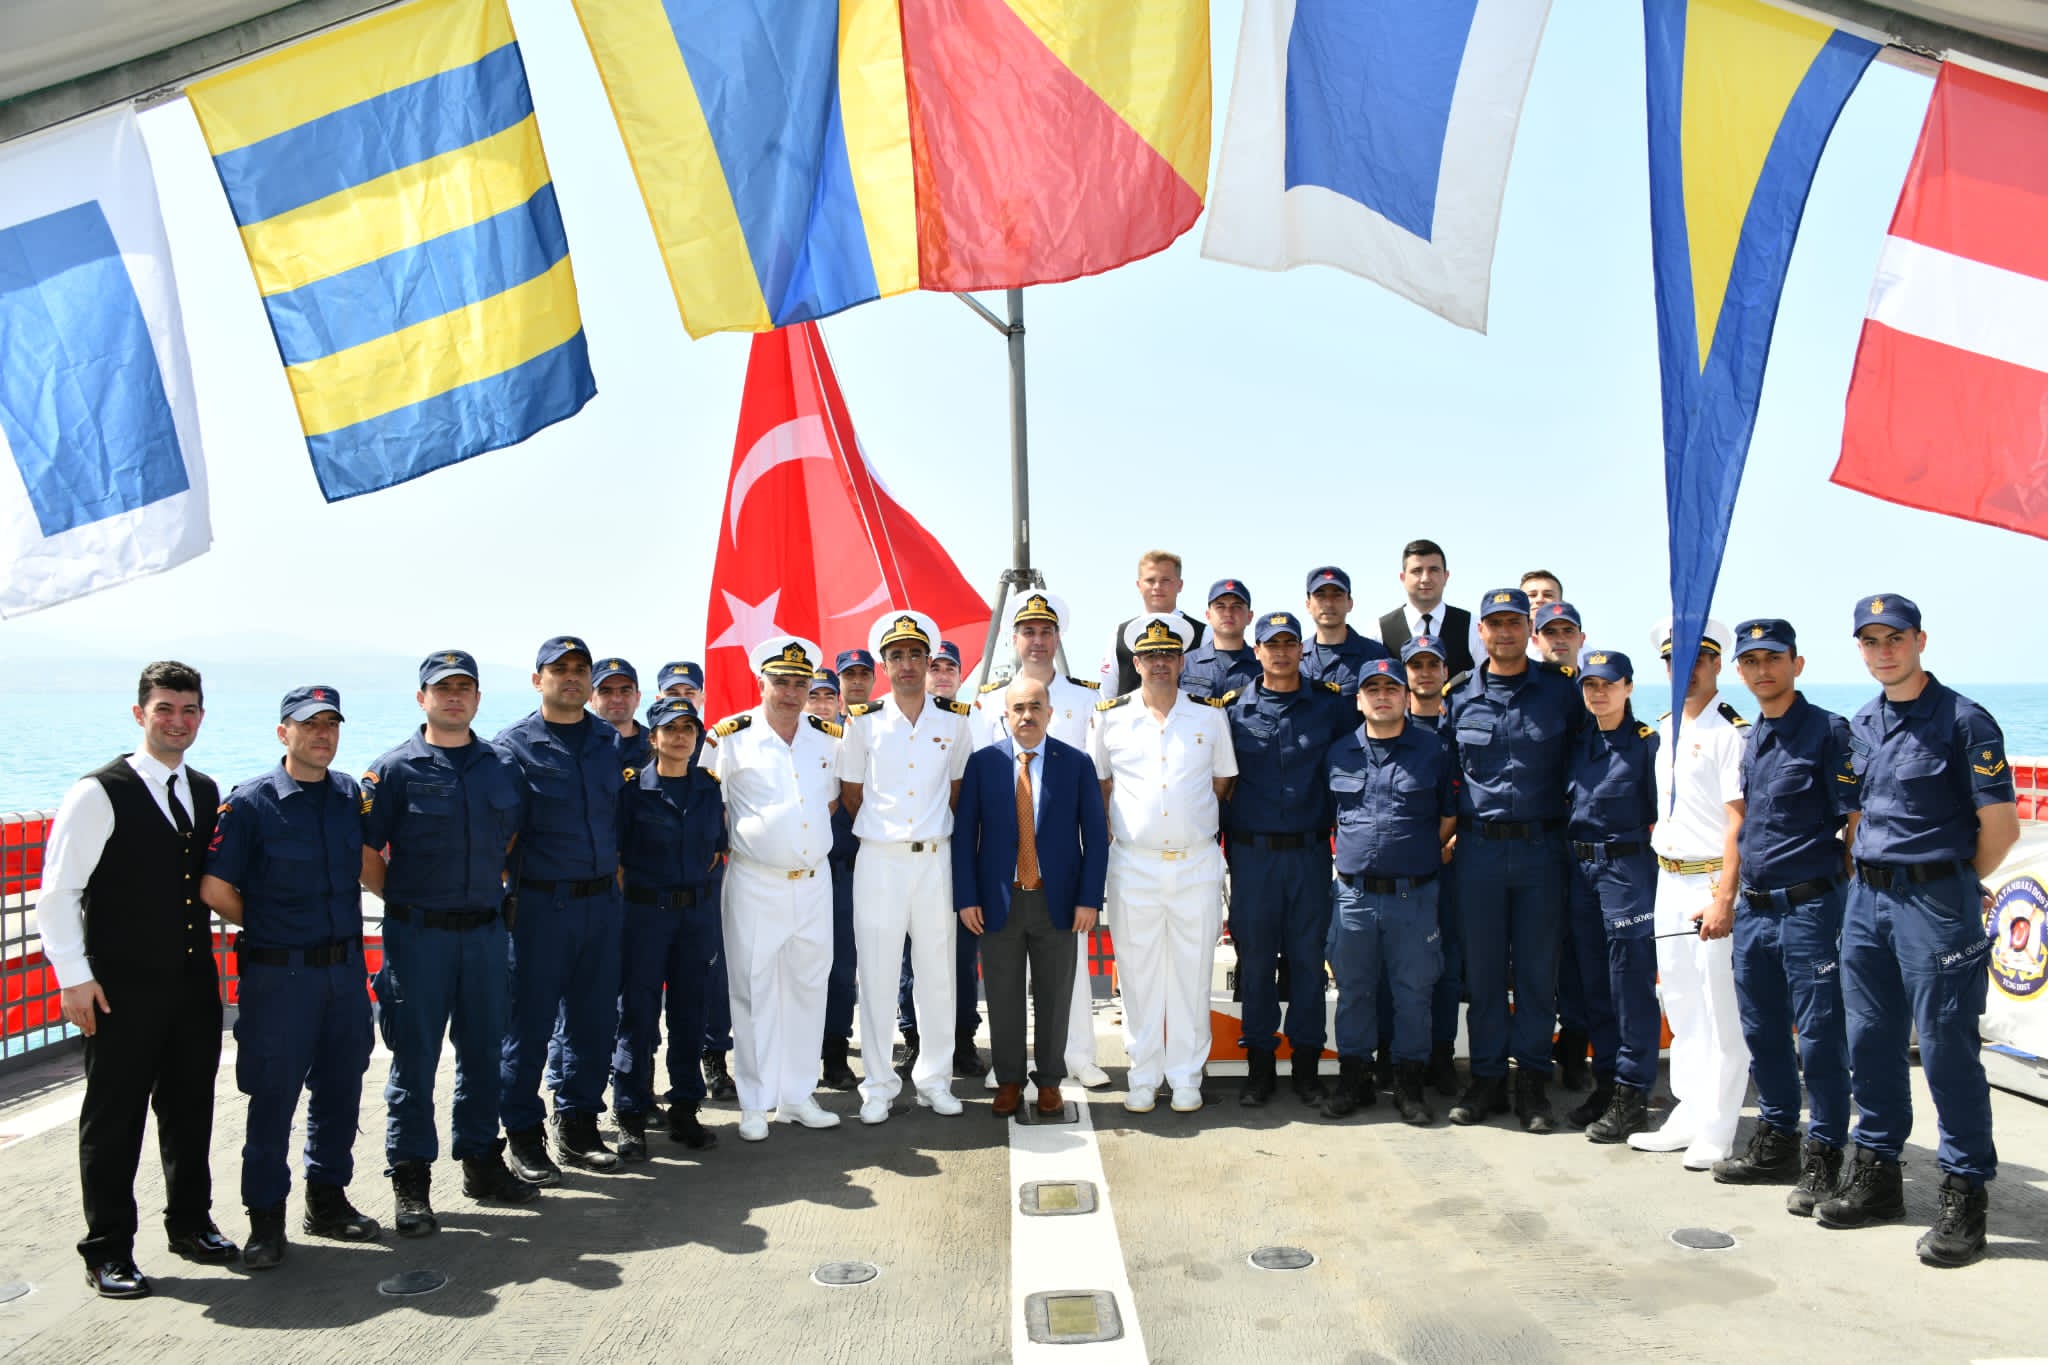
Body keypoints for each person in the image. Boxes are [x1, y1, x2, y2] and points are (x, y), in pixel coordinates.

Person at [1818, 594, 2018, 1268]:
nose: (1883, 651)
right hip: (1867, 900)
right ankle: (1877, 1177)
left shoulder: (1963, 720)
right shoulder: (1862, 722)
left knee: (1945, 1048)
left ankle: (1964, 1195)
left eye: (1894, 638)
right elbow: (1857, 817)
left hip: (1934, 905)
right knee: (1870, 1039)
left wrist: (1950, 884)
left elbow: (2001, 829)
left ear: (1920, 641)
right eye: (1870, 640)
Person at [42, 662, 234, 1297]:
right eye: (164, 709)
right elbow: (59, 893)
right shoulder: (98, 792)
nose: (178, 721)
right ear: (139, 714)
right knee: (114, 1118)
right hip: (120, 987)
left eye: (188, 710)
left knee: (190, 1110)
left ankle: (191, 1225)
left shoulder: (203, 789)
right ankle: (107, 1250)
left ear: (201, 716)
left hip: (192, 981)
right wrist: (74, 978)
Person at [359, 651, 534, 1239]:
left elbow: (510, 839)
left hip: (484, 934)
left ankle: (481, 1161)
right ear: (422, 698)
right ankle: (411, 1180)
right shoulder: (394, 770)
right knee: (415, 1060)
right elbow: (366, 852)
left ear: (478, 699)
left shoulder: (501, 767)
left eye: (464, 688)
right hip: (419, 939)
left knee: (484, 1054)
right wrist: (406, 899)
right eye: (442, 688)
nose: (454, 697)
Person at [201, 686, 377, 1268]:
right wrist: (271, 927)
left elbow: (368, 863)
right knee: (273, 1099)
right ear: (284, 733)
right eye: (309, 725)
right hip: (281, 978)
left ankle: (327, 1201)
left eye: (331, 725)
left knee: (341, 1090)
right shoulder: (251, 804)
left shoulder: (349, 795)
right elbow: (215, 887)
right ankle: (265, 1221)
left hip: (343, 974)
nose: (322, 735)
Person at [1714, 619, 1857, 1213]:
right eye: (1750, 661)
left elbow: (1856, 821)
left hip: (1810, 908)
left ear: (1796, 665)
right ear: (1740, 671)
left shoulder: (1829, 731)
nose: (1762, 670)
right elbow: (1748, 823)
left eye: (1773, 658)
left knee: (1820, 1037)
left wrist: (1847, 900)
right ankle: (1777, 1140)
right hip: (1755, 909)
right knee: (1762, 1030)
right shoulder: (1753, 736)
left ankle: (1825, 1151)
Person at [1445, 588, 1582, 1134]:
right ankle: (1485, 1079)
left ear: (1529, 629)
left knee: (1535, 973)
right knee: (1481, 974)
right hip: (1478, 851)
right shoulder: (1459, 697)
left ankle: (1531, 1082)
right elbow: (1446, 776)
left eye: (1514, 623)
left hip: (1542, 851)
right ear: (1480, 632)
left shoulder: (1561, 692)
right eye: (1494, 624)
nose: (1504, 633)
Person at [1090, 616, 1238, 1114]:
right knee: (1138, 976)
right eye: (1150, 656)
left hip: (1195, 862)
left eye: (1168, 655)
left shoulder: (1209, 717)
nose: (1159, 663)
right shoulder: (1110, 718)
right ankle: (1144, 1073)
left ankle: (1186, 1075)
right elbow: (1102, 785)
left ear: (1181, 662)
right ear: (1136, 663)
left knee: (1192, 974)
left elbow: (1222, 782)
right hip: (1135, 864)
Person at [493, 636, 627, 1180]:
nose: (571, 677)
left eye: (580, 669)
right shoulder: (512, 748)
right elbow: (499, 835)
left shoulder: (606, 739)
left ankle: (578, 1126)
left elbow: (617, 821)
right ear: (538, 680)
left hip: (601, 904)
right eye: (559, 669)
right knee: (528, 1027)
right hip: (541, 907)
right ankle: (524, 1136)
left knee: (594, 1024)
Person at [839, 610, 975, 1124]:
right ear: (885, 665)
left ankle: (935, 1080)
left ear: (928, 660)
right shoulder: (863, 722)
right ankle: (878, 1085)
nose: (907, 664)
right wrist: (889, 833)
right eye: (896, 656)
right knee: (876, 975)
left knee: (937, 975)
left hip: (934, 860)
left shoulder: (954, 720)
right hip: (880, 860)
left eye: (916, 655)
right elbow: (851, 794)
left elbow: (958, 792)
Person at [953, 676, 1109, 1117]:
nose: (1027, 715)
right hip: (997, 903)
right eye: (1018, 708)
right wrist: (967, 897)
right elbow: (964, 837)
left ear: (1049, 713)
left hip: (1056, 902)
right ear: (1006, 714)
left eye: (1035, 707)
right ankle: (1008, 1081)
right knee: (1003, 998)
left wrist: (1089, 900)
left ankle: (1050, 1082)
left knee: (1055, 998)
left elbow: (1095, 838)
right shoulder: (983, 764)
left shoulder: (1075, 763)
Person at [1627, 620, 1752, 1171]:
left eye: (1700, 658)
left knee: (1719, 1008)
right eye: (1675, 660)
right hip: (1669, 877)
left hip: (1710, 881)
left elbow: (1739, 823)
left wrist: (1726, 896)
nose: (1688, 669)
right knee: (1679, 1000)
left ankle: (1719, 1127)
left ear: (1718, 663)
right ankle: (1689, 1111)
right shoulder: (1666, 727)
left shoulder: (1731, 732)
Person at [976, 590, 1111, 1089]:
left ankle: (1078, 1055)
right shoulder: (988, 700)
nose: (1037, 640)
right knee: (1007, 980)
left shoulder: (1086, 697)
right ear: (1013, 639)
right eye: (1028, 632)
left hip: (1062, 853)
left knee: (1068, 973)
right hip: (1009, 859)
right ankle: (1007, 1064)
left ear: (1058, 638)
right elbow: (982, 779)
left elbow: (1098, 775)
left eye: (1046, 631)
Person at [712, 635, 845, 1141]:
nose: (791, 693)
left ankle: (797, 1096)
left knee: (809, 986)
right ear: (761, 683)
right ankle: (754, 1101)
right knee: (752, 990)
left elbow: (830, 801)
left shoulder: (827, 737)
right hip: (755, 882)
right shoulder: (730, 737)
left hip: (813, 883)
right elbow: (710, 804)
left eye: (799, 683)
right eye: (781, 682)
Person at [1219, 610, 1351, 1106]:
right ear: (1256, 651)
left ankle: (1307, 1068)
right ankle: (1259, 1067)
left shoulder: (1330, 706)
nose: (1280, 652)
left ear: (1301, 649)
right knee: (1255, 964)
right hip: (1252, 858)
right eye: (1270, 644)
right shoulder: (1232, 711)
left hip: (1310, 854)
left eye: (1289, 643)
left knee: (1308, 963)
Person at [1321, 658, 1459, 1123]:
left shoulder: (1433, 750)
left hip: (1413, 897)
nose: (1382, 696)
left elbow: (1448, 815)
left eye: (1391, 688)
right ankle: (1354, 1081)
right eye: (1373, 689)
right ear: (1359, 700)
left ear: (1405, 696)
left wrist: (1414, 855)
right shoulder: (1339, 753)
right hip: (1354, 897)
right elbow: (1330, 817)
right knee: (1354, 992)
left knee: (1413, 993)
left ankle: (1409, 1085)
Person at [612, 696, 725, 1157]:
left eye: (688, 729)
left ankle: (684, 1108)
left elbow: (717, 849)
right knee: (637, 1017)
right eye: (671, 729)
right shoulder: (632, 789)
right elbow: (617, 858)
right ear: (653, 738)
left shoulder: (708, 788)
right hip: (645, 917)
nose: (680, 737)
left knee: (690, 1014)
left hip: (694, 917)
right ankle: (631, 1113)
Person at [1565, 651, 1662, 1143]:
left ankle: (1633, 1095)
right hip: (1580, 870)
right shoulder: (1578, 742)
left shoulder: (1647, 745)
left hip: (1626, 870)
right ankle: (1606, 1085)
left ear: (1628, 687)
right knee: (1595, 986)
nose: (1598, 693)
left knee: (1630, 984)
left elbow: (1664, 814)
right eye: (1590, 685)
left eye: (1607, 684)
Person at [658, 660, 739, 1104]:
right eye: (673, 694)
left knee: (710, 974)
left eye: (690, 693)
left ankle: (713, 1056)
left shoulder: (715, 749)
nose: (682, 701)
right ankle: (637, 1079)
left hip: (705, 883)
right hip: (649, 893)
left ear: (702, 698)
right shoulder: (639, 752)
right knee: (641, 990)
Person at [1398, 635, 1462, 1094]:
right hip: (1403, 867)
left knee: (1447, 965)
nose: (1424, 673)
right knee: (1397, 965)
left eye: (1432, 665)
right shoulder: (1387, 727)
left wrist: (1452, 837)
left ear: (1445, 672)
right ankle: (1398, 1057)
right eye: (1415, 665)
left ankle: (1442, 1055)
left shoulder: (1460, 729)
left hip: (1452, 861)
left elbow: (1474, 790)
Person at [808, 667, 862, 1091]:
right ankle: (796, 1056)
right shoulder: (791, 747)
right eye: (814, 696)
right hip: (800, 874)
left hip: (844, 873)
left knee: (841, 970)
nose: (823, 704)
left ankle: (835, 1052)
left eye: (829, 697)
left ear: (839, 703)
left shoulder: (854, 744)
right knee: (796, 969)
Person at [1098, 550, 1207, 695]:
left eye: (1165, 580)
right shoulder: (1120, 634)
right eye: (1150, 580)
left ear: (1180, 585)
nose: (1157, 586)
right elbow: (1107, 693)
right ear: (1139, 585)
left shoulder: (1204, 634)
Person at [1372, 539, 1478, 675]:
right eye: (1417, 571)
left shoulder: (1473, 626)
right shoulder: (1379, 631)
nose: (1425, 579)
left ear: (1446, 576)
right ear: (1403, 578)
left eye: (1433, 570)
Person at [1300, 566, 1391, 697]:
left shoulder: (1374, 654)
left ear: (1350, 603)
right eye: (1320, 596)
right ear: (1308, 605)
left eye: (1337, 595)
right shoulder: (1296, 656)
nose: (1329, 604)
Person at [1181, 578, 1260, 701]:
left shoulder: (1263, 667)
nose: (1228, 613)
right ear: (1208, 615)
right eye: (1220, 606)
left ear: (1249, 617)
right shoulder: (1185, 664)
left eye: (1236, 606)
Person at [592, 657, 650, 768]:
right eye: (606, 691)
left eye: (625, 691)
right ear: (591, 700)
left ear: (637, 698)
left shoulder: (659, 747)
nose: (617, 699)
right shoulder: (574, 745)